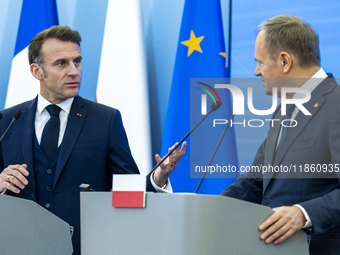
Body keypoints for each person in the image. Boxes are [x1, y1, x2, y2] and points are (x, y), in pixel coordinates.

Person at [0, 26, 186, 255]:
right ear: (37, 71)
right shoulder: (8, 121)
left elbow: (126, 190)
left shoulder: (105, 120)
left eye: (77, 61)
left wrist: (158, 178)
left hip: (85, 249)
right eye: (61, 63)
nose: (74, 71)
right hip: (20, 248)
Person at [221, 15, 340, 254]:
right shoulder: (282, 112)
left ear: (285, 61)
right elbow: (255, 182)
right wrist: (209, 208)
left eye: (260, 62)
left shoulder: (336, 106)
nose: (256, 71)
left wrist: (303, 214)